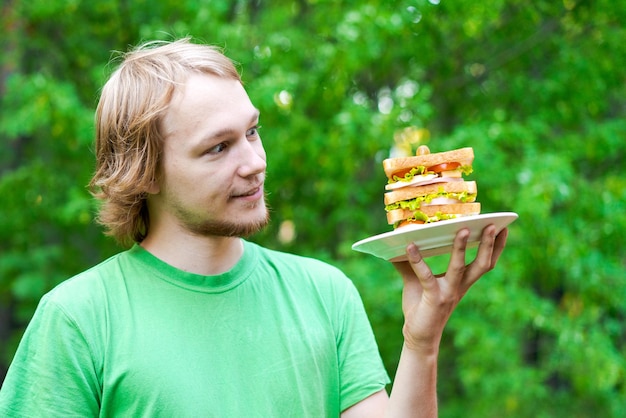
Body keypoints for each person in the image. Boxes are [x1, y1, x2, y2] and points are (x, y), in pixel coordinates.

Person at [0, 38, 508, 417]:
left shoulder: (325, 292)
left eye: (252, 131)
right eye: (218, 147)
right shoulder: (77, 320)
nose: (254, 162)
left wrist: (422, 342)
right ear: (145, 172)